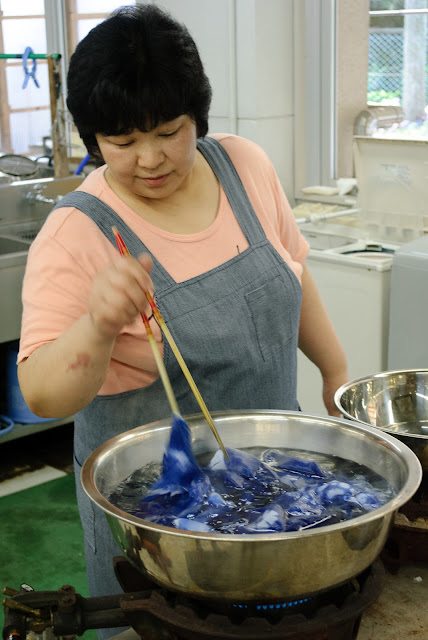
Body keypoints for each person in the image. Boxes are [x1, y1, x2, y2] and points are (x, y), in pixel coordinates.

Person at [17, 4, 348, 637]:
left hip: (273, 487)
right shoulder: (75, 233)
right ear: (93, 139)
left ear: (198, 114)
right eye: (122, 142)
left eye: (169, 131)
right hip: (161, 527)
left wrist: (334, 372)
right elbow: (41, 393)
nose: (150, 158)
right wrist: (97, 324)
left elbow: (293, 275)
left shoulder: (244, 166)